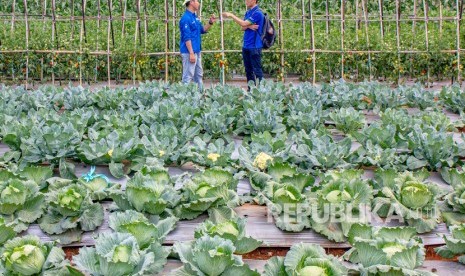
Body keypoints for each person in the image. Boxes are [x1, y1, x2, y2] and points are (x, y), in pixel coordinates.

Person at [223, 0, 264, 88]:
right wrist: (249, 26)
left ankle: (261, 91)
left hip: (254, 46)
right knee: (248, 71)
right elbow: (242, 27)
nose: (246, 1)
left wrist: (231, 15)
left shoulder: (258, 13)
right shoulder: (248, 12)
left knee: (257, 70)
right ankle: (251, 90)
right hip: (246, 46)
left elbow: (243, 23)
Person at [179, 0, 216, 90]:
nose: (198, 3)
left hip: (197, 51)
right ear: (191, 2)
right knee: (188, 76)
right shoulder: (185, 18)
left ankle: (200, 95)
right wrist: (191, 53)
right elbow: (186, 37)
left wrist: (210, 23)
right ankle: (183, 97)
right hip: (189, 52)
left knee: (198, 75)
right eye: (197, 1)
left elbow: (202, 30)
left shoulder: (195, 17)